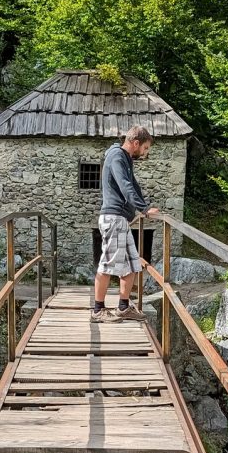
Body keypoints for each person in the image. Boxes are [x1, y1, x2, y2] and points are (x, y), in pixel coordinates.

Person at [92, 125, 160, 323]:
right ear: (136, 143)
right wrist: (144, 210)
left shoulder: (125, 159)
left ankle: (123, 307)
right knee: (108, 263)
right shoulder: (117, 156)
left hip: (121, 219)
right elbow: (125, 185)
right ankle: (98, 310)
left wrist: (144, 206)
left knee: (132, 263)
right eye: (145, 148)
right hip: (114, 218)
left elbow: (134, 186)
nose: (145, 153)